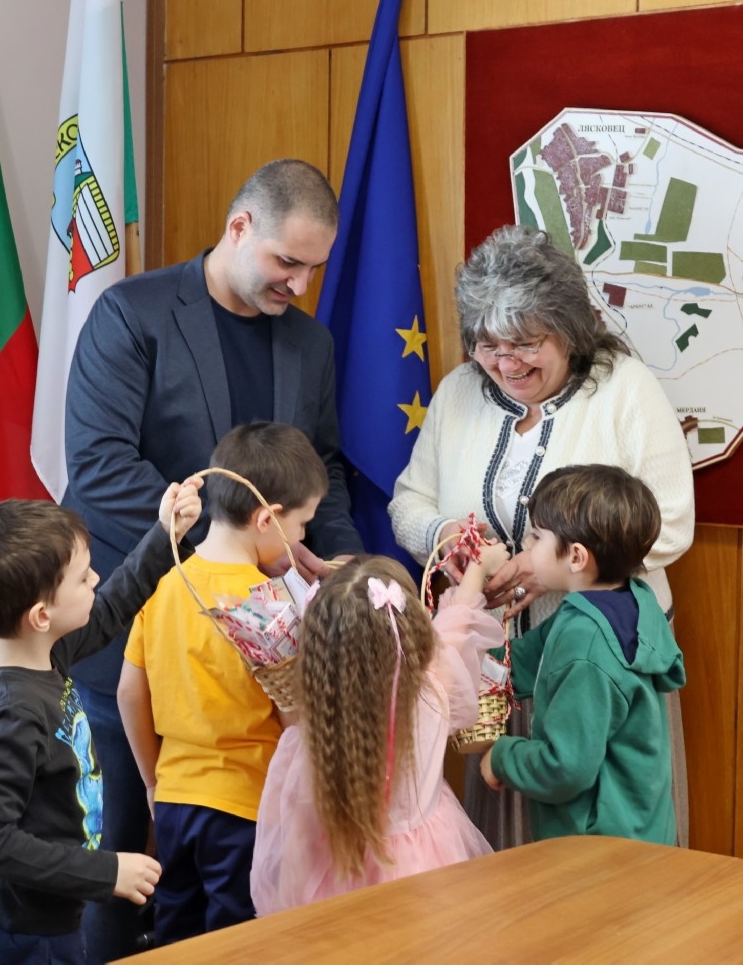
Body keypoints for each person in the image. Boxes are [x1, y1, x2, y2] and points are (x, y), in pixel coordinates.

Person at [63, 159, 362, 959]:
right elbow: (99, 467)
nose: (299, 284)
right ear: (239, 227)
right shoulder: (131, 314)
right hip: (135, 644)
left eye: (314, 268)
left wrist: (345, 562)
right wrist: (233, 541)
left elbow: (324, 469)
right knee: (117, 865)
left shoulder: (310, 342)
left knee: (236, 891)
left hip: (258, 685)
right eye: (287, 261)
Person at [389, 223, 694, 850]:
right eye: (488, 345)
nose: (506, 363)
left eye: (526, 344)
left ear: (568, 330)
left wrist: (547, 567)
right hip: (495, 679)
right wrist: (448, 539)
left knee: (602, 846)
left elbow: (671, 522)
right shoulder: (457, 393)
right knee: (508, 860)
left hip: (600, 670)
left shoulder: (625, 388)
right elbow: (407, 503)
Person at [0, 479, 202, 965]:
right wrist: (107, 872)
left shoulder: (30, 650)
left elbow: (111, 607)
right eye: (81, 578)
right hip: (17, 936)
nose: (96, 579)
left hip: (43, 918)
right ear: (41, 615)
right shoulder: (15, 710)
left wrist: (166, 533)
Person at [117, 422, 329, 945]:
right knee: (237, 943)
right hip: (245, 809)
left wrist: (152, 782)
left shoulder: (164, 583)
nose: (303, 539)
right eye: (302, 524)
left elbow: (129, 692)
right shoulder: (269, 605)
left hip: (174, 800)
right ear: (267, 519)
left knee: (177, 934)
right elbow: (294, 716)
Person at [250, 542, 510, 915]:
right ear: (411, 629)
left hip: (339, 872)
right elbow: (456, 627)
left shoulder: (314, 731)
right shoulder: (434, 692)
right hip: (429, 866)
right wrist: (478, 569)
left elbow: (294, 832)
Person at [480, 464, 686, 843]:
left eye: (536, 536)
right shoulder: (622, 604)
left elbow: (567, 768)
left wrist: (503, 758)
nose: (527, 546)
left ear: (576, 557)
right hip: (638, 832)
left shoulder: (587, 642)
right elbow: (523, 660)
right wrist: (464, 654)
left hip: (600, 849)